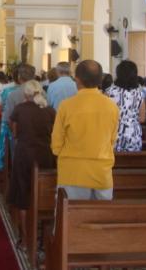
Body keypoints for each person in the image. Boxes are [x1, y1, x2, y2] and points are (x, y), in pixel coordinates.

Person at [51, 60, 119, 200]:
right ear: (100, 79)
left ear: (77, 79)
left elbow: (56, 144)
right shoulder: (112, 107)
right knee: (101, 219)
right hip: (102, 172)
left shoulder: (66, 106)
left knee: (70, 219)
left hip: (73, 172)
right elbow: (112, 141)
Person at [7, 80, 56, 246]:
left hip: (24, 155)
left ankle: (25, 238)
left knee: (23, 194)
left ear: (26, 94)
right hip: (45, 156)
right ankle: (43, 237)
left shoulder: (20, 109)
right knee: (46, 193)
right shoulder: (50, 110)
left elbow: (14, 131)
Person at [0, 64, 35, 171]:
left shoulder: (13, 93)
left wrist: (14, 133)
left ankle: (14, 177)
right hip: (37, 135)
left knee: (17, 163)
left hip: (18, 135)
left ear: (19, 77)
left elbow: (7, 118)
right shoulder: (43, 93)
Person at [106, 60, 146, 152]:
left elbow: (104, 116)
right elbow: (142, 118)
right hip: (133, 136)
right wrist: (129, 119)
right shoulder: (139, 94)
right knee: (132, 163)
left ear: (118, 74)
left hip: (113, 135)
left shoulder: (109, 92)